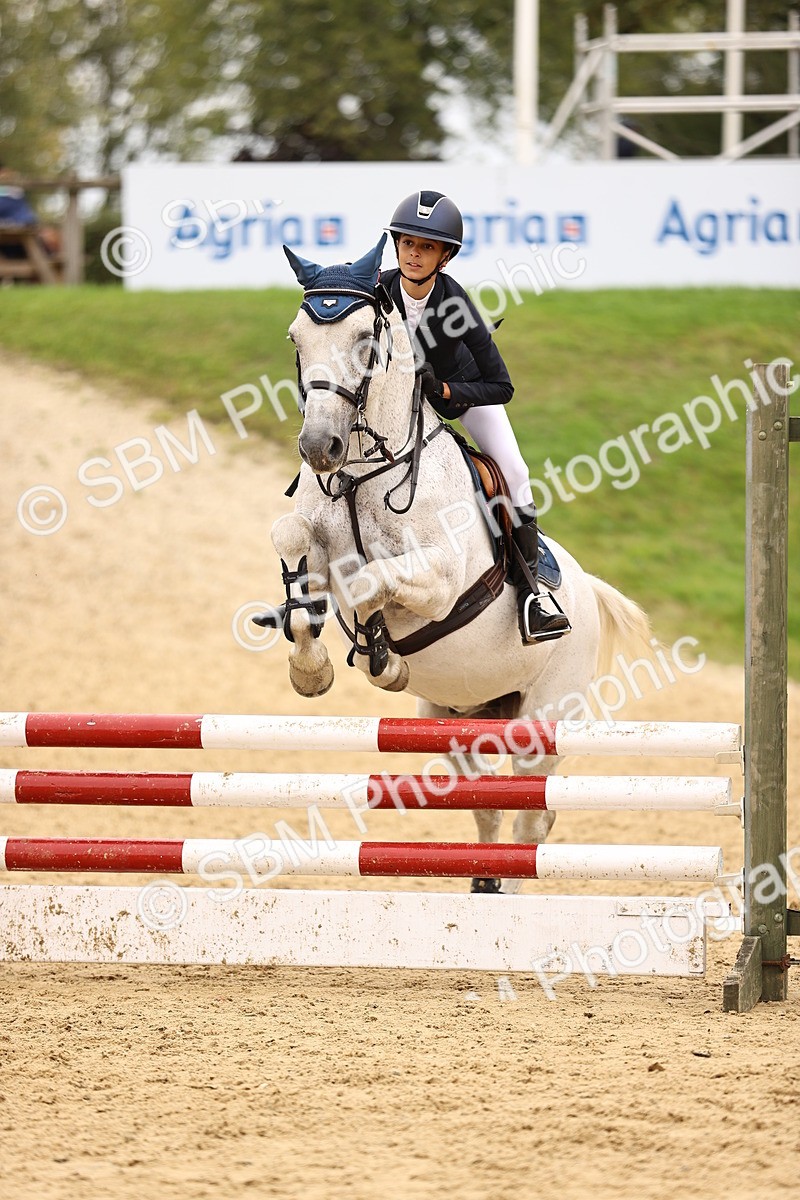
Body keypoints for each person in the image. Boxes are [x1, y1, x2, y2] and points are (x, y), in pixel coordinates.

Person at [382, 189, 569, 642]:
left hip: (463, 395)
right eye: (407, 243)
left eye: (426, 247)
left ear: (445, 257)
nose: (414, 254)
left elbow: (502, 386)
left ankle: (532, 594)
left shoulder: (456, 304)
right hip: (398, 401)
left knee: (515, 471)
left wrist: (445, 390)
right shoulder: (377, 289)